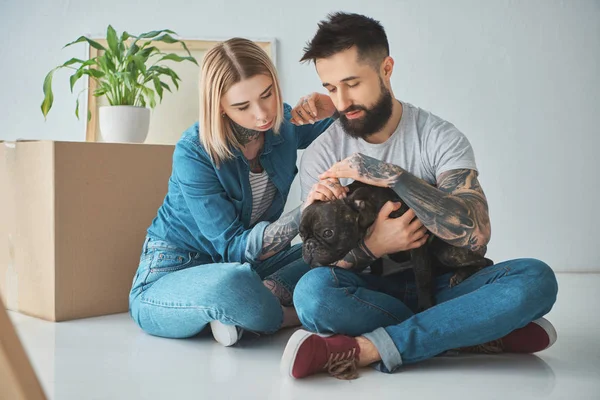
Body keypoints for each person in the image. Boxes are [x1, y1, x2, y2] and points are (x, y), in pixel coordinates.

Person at [280, 12, 559, 379]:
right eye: (331, 88)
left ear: (387, 69)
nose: (343, 100)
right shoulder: (322, 152)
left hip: (445, 283)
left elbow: (476, 235)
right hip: (372, 292)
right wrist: (372, 246)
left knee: (536, 279)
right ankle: (466, 330)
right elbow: (323, 258)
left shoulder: (438, 137)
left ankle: (367, 348)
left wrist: (393, 176)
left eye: (352, 83)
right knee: (312, 295)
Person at [128, 37, 343, 347]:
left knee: (341, 246)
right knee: (231, 282)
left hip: (253, 268)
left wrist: (333, 106)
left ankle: (249, 310)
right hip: (175, 272)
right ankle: (282, 313)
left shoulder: (282, 122)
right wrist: (307, 211)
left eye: (267, 94)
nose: (262, 114)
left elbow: (355, 125)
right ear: (220, 107)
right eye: (242, 106)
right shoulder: (193, 152)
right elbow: (232, 248)